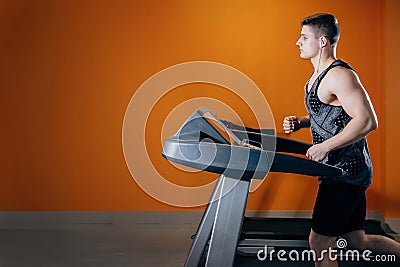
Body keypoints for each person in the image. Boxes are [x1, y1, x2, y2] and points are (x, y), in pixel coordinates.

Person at [283, 13, 400, 266]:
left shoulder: (339, 75)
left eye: (304, 37)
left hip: (346, 172)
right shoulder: (317, 75)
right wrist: (302, 122)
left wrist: (325, 146)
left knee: (319, 242)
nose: (298, 42)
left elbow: (367, 120)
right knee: (357, 241)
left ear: (322, 41)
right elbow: (334, 114)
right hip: (339, 170)